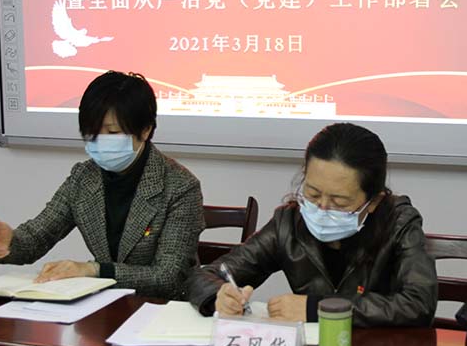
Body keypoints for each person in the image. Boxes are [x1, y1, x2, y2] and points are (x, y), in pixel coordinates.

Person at [0, 71, 204, 299]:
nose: (100, 141)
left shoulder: (180, 186)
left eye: (112, 132)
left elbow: (169, 276)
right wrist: (7, 243)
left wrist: (95, 270)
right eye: (92, 132)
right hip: (102, 305)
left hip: (163, 308)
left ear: (145, 130)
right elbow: (38, 236)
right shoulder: (84, 177)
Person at [186, 122, 437, 327]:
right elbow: (205, 275)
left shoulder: (399, 223)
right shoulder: (289, 223)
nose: (322, 208)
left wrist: (318, 309)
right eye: (313, 193)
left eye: (339, 201)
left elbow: (419, 303)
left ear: (373, 201)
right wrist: (219, 295)